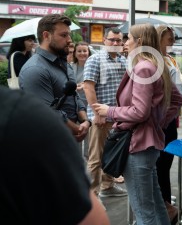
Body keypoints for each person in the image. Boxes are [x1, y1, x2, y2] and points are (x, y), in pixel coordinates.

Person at [93, 23, 182, 225]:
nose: (125, 42)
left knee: (144, 213)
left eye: (128, 38)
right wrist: (158, 122)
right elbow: (176, 99)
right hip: (147, 144)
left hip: (138, 145)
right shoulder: (156, 65)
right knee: (156, 205)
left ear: (139, 41)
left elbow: (139, 111)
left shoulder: (143, 68)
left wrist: (110, 111)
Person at [0, 87, 109, 224]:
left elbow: (76, 96)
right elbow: (93, 220)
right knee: (94, 160)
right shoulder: (22, 116)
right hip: (65, 133)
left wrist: (85, 121)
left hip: (74, 130)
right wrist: (77, 127)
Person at [19, 14, 90, 142]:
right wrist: (77, 129)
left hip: (70, 138)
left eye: (69, 34)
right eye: (64, 35)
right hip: (48, 143)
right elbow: (46, 112)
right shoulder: (35, 69)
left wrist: (85, 121)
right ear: (46, 36)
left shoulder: (63, 63)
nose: (69, 40)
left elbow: (73, 96)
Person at [83, 27, 128, 199]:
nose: (116, 43)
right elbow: (88, 86)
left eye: (119, 40)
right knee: (95, 158)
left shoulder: (123, 61)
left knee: (111, 154)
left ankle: (107, 187)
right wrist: (98, 113)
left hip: (117, 116)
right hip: (101, 117)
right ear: (104, 40)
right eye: (112, 40)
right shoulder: (95, 59)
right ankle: (91, 198)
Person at [156, 25, 182, 222]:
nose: (173, 40)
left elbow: (177, 90)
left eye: (173, 37)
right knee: (160, 166)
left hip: (167, 120)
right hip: (163, 120)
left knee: (163, 165)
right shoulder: (157, 61)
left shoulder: (167, 60)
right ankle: (164, 203)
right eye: (170, 37)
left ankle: (165, 203)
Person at [71, 41, 91, 108]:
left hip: (89, 103)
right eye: (79, 51)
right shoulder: (70, 67)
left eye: (85, 51)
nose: (82, 53)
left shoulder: (93, 66)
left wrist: (85, 85)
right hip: (73, 102)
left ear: (88, 53)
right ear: (75, 54)